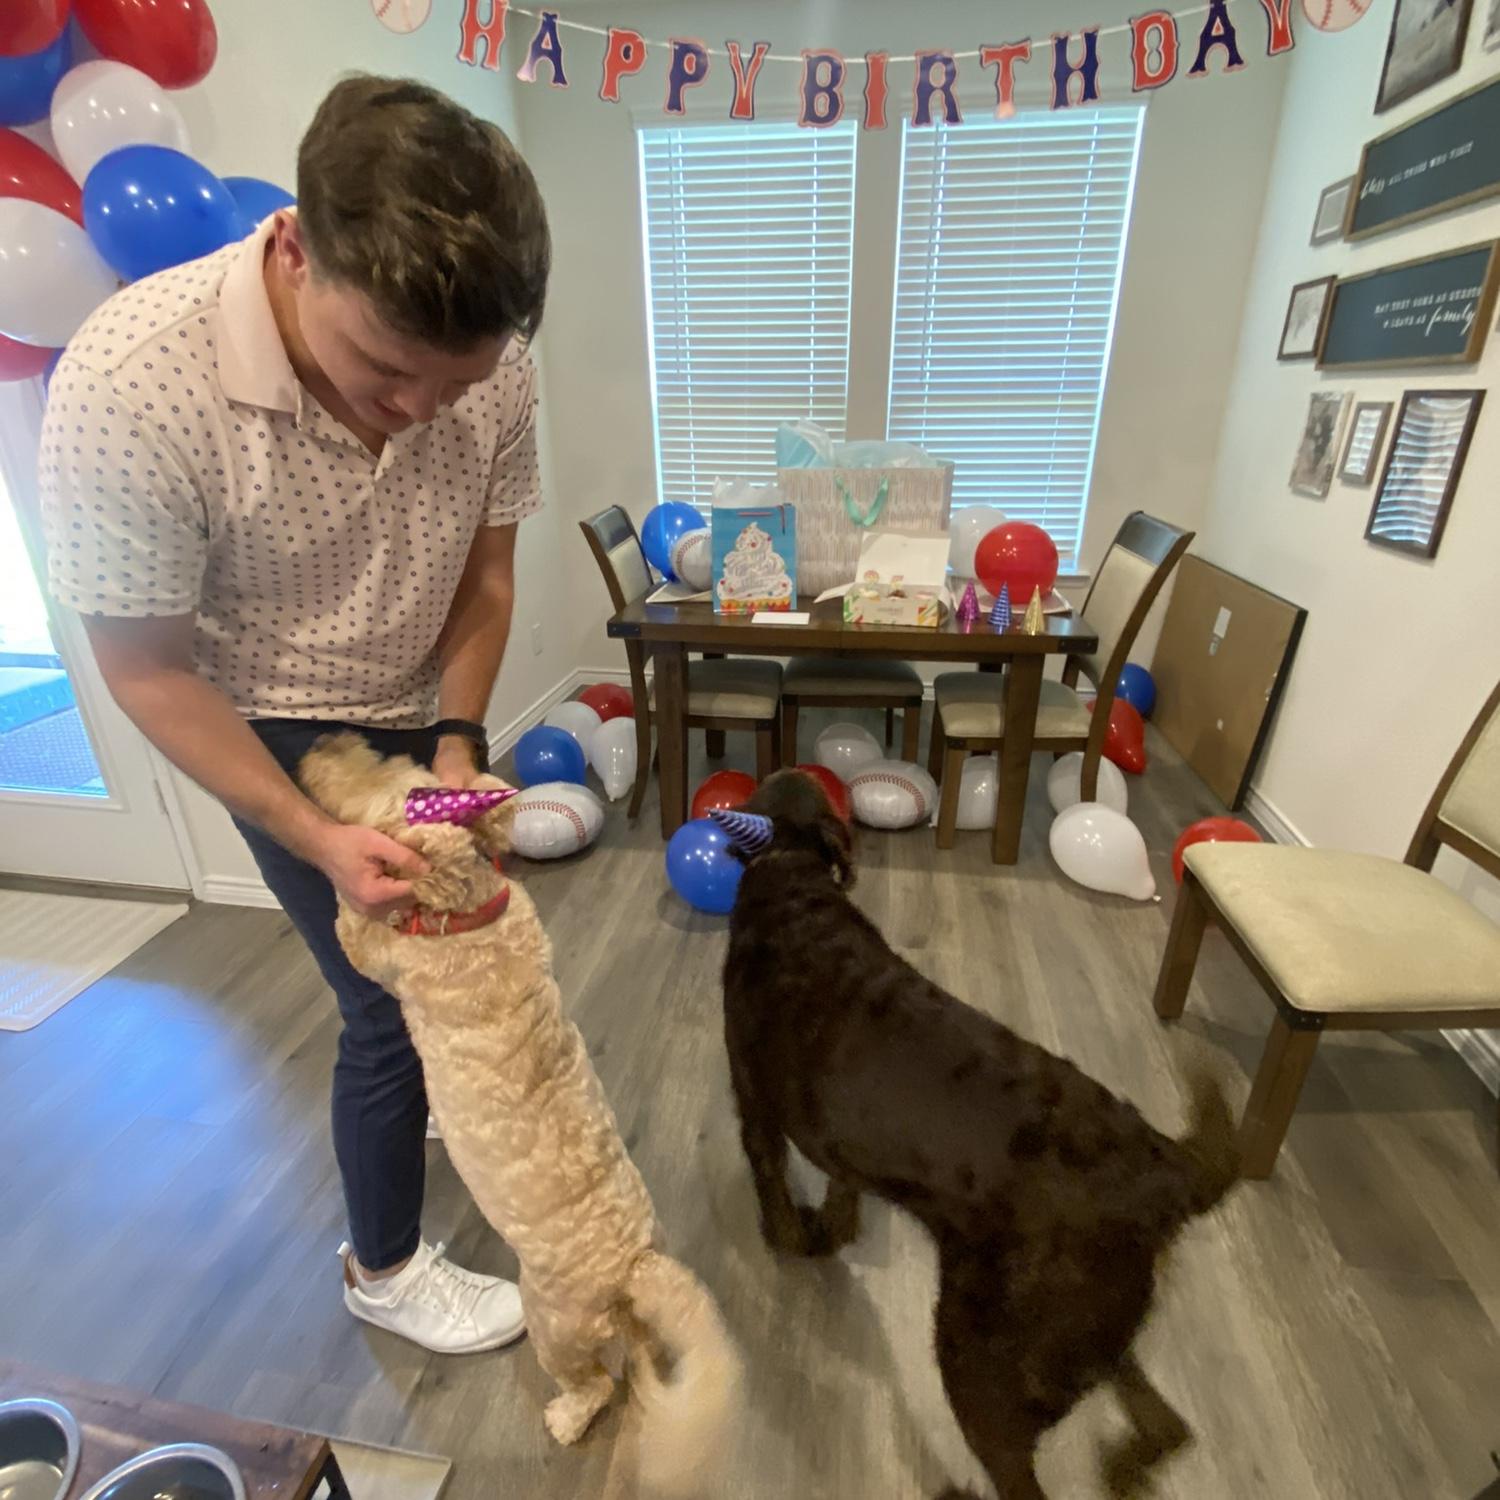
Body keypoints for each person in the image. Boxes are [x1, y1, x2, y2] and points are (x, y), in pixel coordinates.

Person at [39, 76, 551, 1355]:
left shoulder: (494, 371)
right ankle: (382, 1268)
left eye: (458, 382)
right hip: (265, 716)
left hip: (414, 703)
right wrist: (320, 839)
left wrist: (454, 746)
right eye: (388, 372)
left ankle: (431, 1087)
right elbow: (148, 668)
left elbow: (486, 580)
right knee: (380, 995)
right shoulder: (133, 381)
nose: (425, 410)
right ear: (294, 247)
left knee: (460, 937)